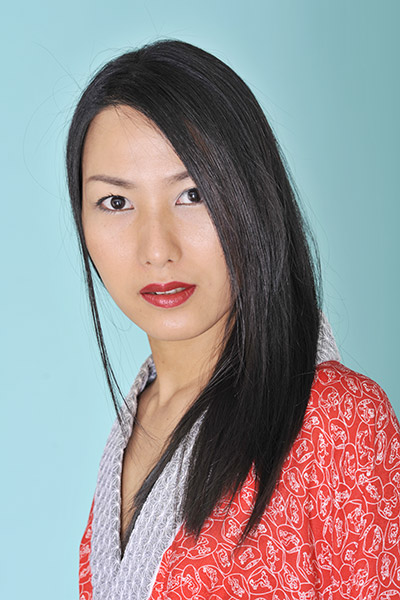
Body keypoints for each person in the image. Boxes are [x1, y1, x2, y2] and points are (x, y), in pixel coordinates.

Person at [67, 40, 400, 599]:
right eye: (116, 203)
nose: (157, 249)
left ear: (251, 198)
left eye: (192, 194)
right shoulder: (134, 422)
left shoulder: (337, 423)